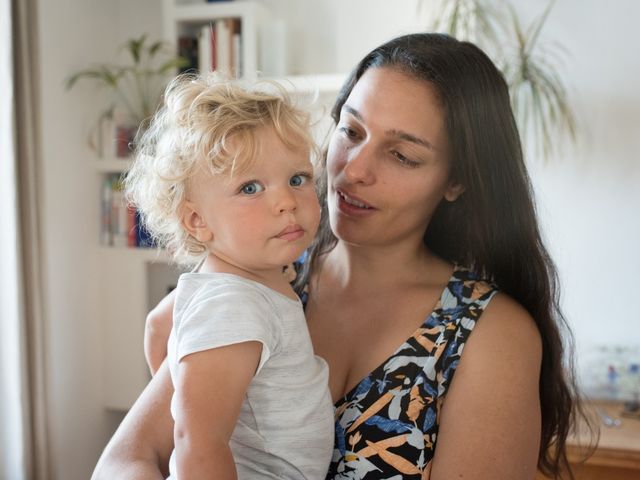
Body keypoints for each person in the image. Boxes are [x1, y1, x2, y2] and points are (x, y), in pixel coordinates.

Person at [92, 33, 585, 480]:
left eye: (402, 155)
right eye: (351, 131)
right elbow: (124, 460)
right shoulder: (258, 279)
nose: (354, 170)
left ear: (456, 181)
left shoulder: (487, 333)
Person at [121, 74, 335, 479]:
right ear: (197, 220)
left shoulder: (238, 281)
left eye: (297, 178)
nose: (286, 202)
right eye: (251, 188)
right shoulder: (232, 304)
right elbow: (198, 446)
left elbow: (158, 325)